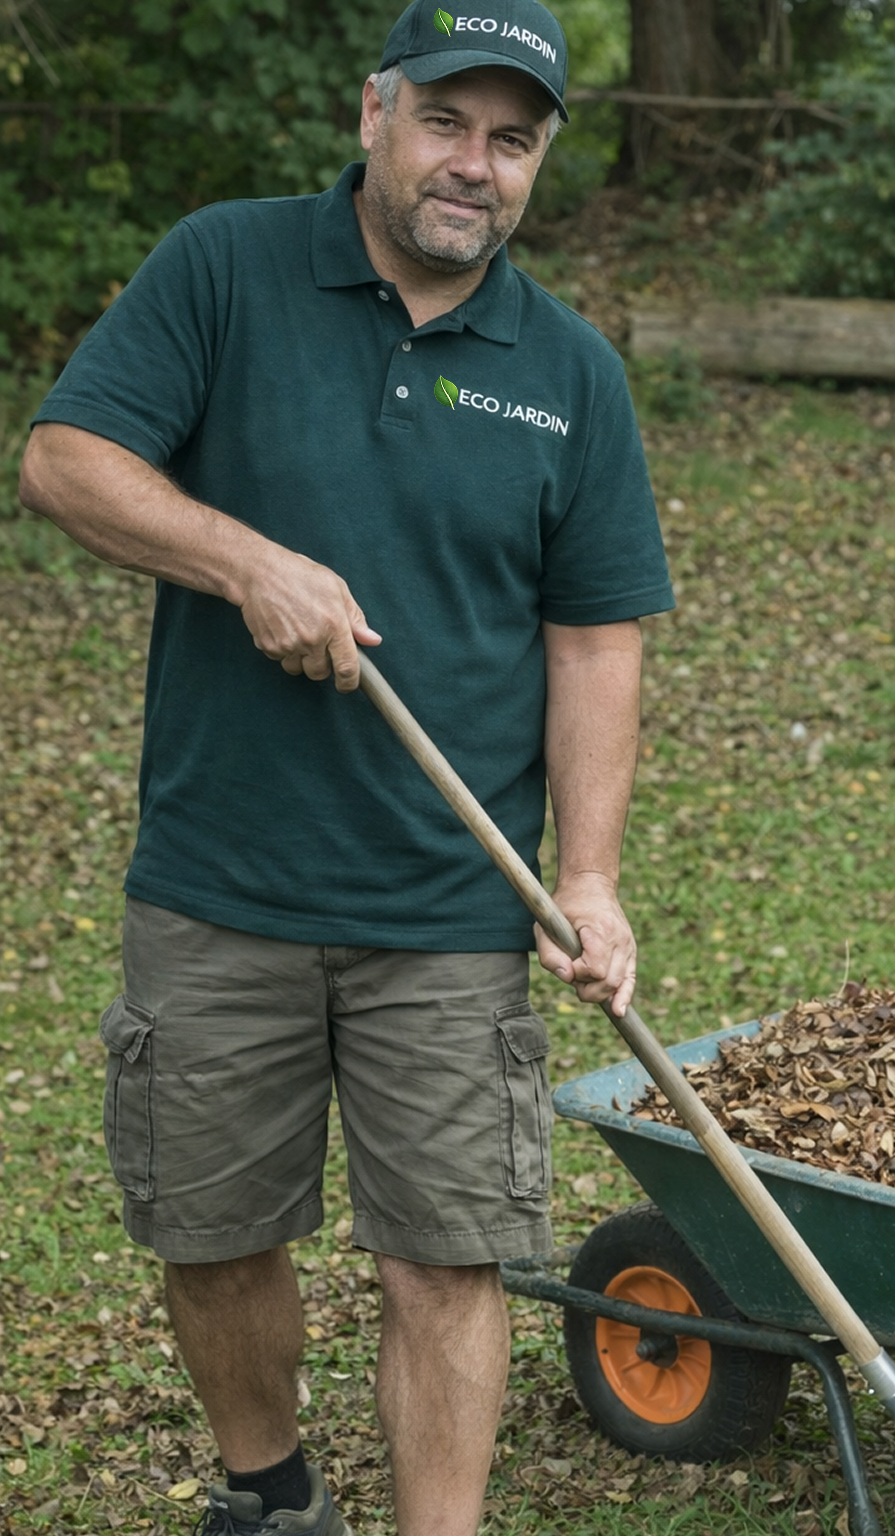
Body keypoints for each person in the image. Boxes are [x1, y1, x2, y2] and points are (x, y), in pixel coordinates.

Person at [18, 2, 673, 1532]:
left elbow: (594, 642)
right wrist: (242, 561)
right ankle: (271, 1491)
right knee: (213, 1227)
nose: (475, 166)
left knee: (446, 1252)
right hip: (221, 881)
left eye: (512, 141)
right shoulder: (226, 268)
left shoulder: (568, 372)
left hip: (450, 903)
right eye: (448, 121)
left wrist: (584, 876)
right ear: (373, 113)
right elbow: (64, 462)